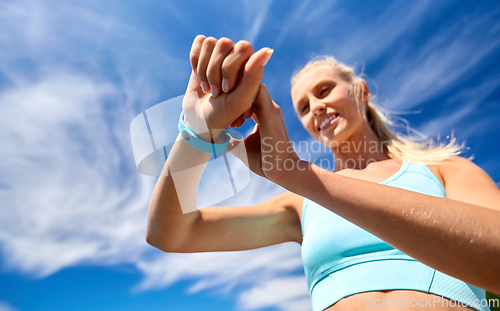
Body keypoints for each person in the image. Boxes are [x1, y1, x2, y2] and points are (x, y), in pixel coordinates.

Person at [145, 35, 500, 311]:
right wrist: (195, 133)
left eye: (325, 90)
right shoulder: (300, 205)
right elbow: (172, 234)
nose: (316, 107)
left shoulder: (444, 170)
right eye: (303, 106)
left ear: (360, 92)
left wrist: (296, 173)